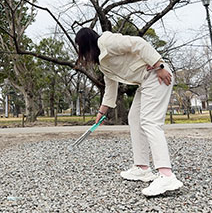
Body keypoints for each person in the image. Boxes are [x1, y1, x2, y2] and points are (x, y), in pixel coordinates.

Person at [74, 28, 183, 197]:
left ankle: (167, 175)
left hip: (158, 75)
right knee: (134, 118)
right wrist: (102, 112)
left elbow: (138, 43)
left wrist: (159, 65)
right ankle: (142, 168)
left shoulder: (108, 42)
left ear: (85, 44)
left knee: (149, 122)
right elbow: (111, 87)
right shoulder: (103, 62)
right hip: (145, 81)